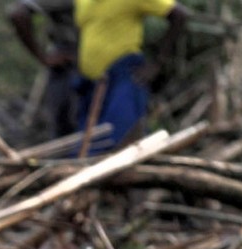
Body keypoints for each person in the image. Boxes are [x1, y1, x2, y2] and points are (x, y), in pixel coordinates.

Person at [71, 0, 188, 154]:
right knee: (88, 147)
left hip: (124, 76)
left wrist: (158, 63)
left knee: (123, 140)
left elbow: (179, 14)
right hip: (91, 85)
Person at [10, 0, 80, 139]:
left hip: (106, 60)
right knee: (68, 126)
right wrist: (42, 57)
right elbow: (18, 13)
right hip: (70, 62)